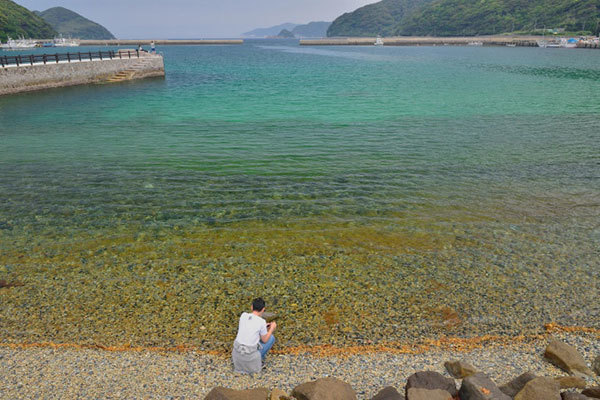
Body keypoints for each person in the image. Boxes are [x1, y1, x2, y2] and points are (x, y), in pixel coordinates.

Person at [232, 297, 276, 374]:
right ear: (263, 309)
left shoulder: (243, 315)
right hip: (250, 357)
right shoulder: (262, 321)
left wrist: (263, 327)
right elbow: (265, 340)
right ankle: (259, 359)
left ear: (251, 307)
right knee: (271, 338)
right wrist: (272, 328)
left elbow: (250, 327)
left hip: (237, 355)